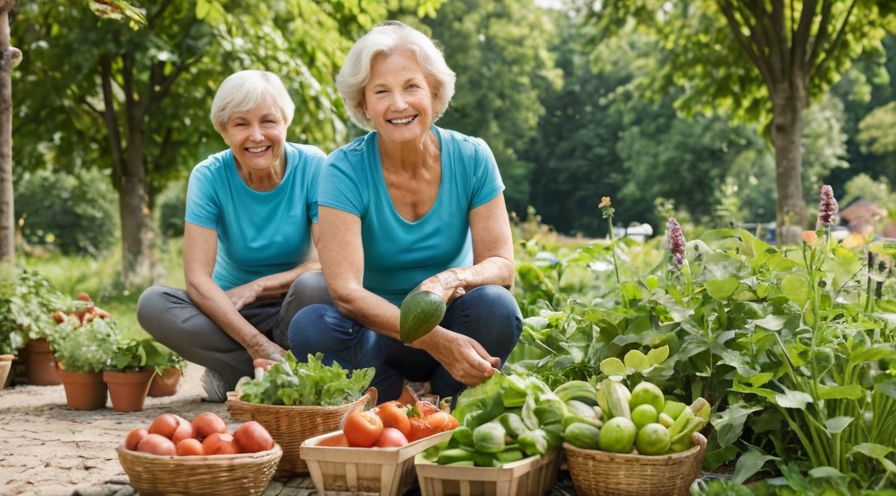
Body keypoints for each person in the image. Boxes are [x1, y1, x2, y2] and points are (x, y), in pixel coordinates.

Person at [288, 21, 522, 403]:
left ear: (433, 91)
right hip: (376, 339)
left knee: (496, 306)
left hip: (454, 323)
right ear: (364, 105)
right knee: (311, 328)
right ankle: (399, 402)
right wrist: (435, 341)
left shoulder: (472, 156)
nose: (398, 104)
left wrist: (450, 280)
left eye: (411, 87)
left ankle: (445, 402)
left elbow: (501, 264)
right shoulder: (343, 169)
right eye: (381, 91)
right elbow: (346, 293)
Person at [137, 70, 331, 401]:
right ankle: (267, 368)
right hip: (230, 312)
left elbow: (326, 261)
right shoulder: (209, 176)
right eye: (241, 124)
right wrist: (256, 342)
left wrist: (257, 287)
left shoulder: (314, 165)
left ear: (286, 123)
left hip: (293, 304)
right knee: (153, 304)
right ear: (224, 131)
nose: (256, 136)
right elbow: (198, 279)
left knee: (318, 285)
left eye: (268, 121)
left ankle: (242, 373)